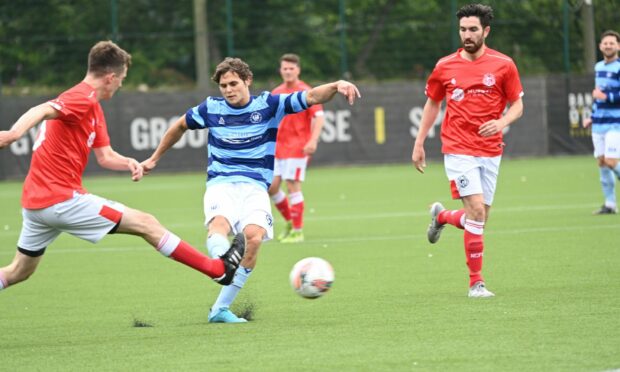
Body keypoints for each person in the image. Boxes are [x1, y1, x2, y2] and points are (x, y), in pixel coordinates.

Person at [0, 41, 245, 295]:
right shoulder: (80, 97)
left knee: (19, 271)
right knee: (146, 223)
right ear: (110, 77)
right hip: (61, 200)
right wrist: (13, 134)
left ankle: (218, 270)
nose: (121, 85)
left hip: (35, 205)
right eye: (122, 79)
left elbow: (105, 156)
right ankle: (218, 270)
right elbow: (41, 109)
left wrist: (128, 162)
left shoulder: (92, 107)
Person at [141, 57, 360, 323]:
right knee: (219, 225)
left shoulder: (268, 104)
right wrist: (154, 158)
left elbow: (312, 96)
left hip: (256, 186)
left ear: (247, 81)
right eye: (223, 85)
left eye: (233, 83)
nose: (228, 90)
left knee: (253, 239)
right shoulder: (211, 108)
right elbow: (179, 126)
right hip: (221, 183)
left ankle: (220, 309)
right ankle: (220, 265)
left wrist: (338, 84)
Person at [411, 4, 524, 298]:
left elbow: (518, 105)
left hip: (490, 150)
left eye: (473, 29)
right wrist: (419, 141)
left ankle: (442, 217)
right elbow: (433, 103)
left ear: (485, 31)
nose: (467, 35)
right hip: (458, 147)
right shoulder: (445, 66)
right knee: (475, 211)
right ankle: (476, 282)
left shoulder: (504, 64)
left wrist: (501, 122)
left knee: (479, 218)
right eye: (463, 29)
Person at [269, 53, 325, 243]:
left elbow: (319, 117)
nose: (288, 71)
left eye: (291, 68)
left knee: (292, 185)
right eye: (285, 68)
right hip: (277, 148)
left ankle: (298, 231)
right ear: (280, 70)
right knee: (271, 187)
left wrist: (313, 140)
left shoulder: (306, 91)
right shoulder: (276, 92)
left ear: (298, 70)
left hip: (297, 147)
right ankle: (290, 222)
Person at [582, 30, 620, 215]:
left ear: (618, 46)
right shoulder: (598, 67)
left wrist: (606, 96)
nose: (608, 46)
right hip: (599, 123)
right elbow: (598, 99)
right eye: (605, 43)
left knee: (612, 162)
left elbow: (604, 96)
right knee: (603, 163)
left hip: (615, 123)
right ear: (600, 46)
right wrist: (592, 117)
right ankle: (610, 204)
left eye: (612, 43)